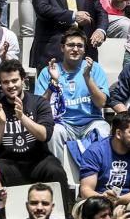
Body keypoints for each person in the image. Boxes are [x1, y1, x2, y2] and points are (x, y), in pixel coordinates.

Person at [0, 59, 71, 209]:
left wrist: (22, 118)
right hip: (8, 161)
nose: (11, 86)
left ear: (23, 80)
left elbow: (44, 135)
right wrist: (1, 124)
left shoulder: (39, 103)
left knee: (56, 170)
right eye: (6, 82)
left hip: (38, 160)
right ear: (1, 84)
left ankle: (64, 215)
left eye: (14, 80)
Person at [36, 27, 111, 162]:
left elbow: (101, 103)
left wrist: (87, 78)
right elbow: (39, 107)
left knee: (103, 130)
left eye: (79, 46)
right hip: (63, 124)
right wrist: (53, 84)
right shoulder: (48, 71)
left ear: (84, 49)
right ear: (62, 48)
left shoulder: (95, 69)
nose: (75, 49)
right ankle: (59, 175)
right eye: (71, 45)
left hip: (91, 122)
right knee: (54, 131)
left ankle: (97, 177)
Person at [77, 112, 130, 219]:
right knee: (86, 208)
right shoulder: (95, 151)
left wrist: (119, 200)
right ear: (118, 133)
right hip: (98, 197)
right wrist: (103, 199)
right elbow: (86, 190)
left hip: (127, 199)